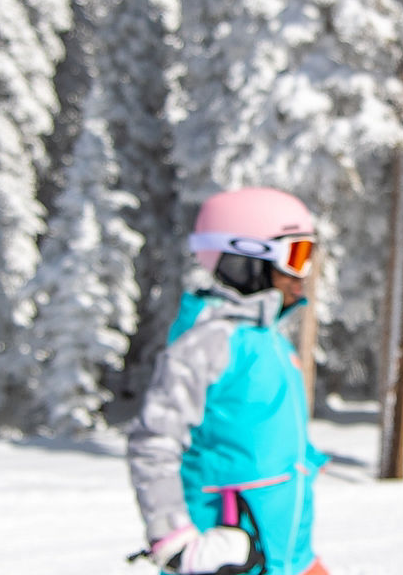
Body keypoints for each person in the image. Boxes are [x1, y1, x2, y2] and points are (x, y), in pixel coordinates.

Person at [126, 187, 330, 575]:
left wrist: (303, 559)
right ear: (246, 256)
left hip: (283, 556)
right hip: (230, 557)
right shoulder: (207, 340)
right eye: (296, 255)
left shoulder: (270, 339)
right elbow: (153, 440)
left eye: (310, 255)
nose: (303, 275)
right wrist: (175, 541)